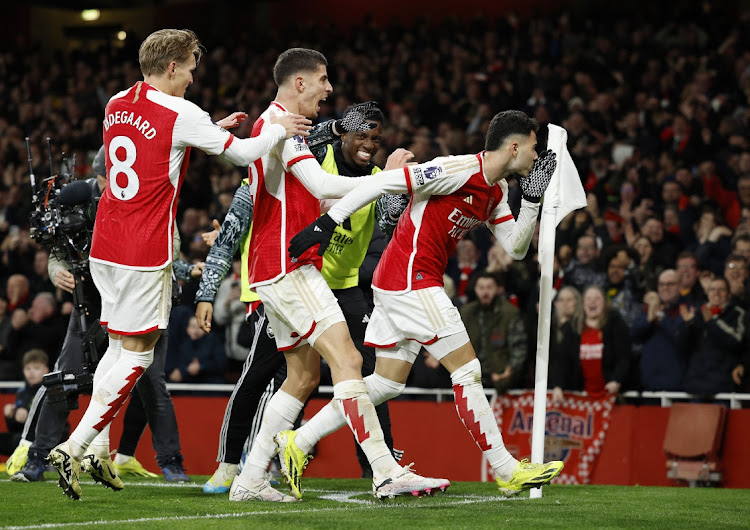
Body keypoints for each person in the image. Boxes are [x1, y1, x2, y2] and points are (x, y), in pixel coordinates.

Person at [48, 29, 311, 500]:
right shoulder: (181, 112)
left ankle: (98, 451)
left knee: (116, 345)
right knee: (140, 353)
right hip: (144, 249)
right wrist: (276, 130)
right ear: (172, 66)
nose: (192, 76)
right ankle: (75, 445)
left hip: (106, 244)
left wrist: (212, 128)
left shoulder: (115, 102)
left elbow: (158, 141)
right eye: (190, 66)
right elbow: (245, 155)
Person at [286, 109, 564, 497]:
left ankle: (297, 442)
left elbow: (515, 248)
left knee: (384, 384)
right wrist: (328, 221)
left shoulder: (496, 191)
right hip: (411, 280)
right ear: (513, 146)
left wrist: (531, 200)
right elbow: (383, 183)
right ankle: (506, 470)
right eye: (534, 149)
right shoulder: (457, 169)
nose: (537, 158)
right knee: (467, 370)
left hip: (402, 280)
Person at [226, 48, 440, 503]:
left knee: (301, 378)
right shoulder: (280, 126)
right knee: (349, 361)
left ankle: (249, 480)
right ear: (299, 82)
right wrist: (390, 181)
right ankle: (385, 472)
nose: (328, 88)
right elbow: (323, 187)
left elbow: (314, 194)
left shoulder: (283, 126)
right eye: (322, 79)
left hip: (278, 265)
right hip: (288, 266)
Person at [200, 102, 407, 494]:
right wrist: (210, 284)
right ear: (343, 134)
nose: (368, 144)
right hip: (293, 275)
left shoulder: (376, 174)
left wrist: (393, 184)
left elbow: (387, 224)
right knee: (269, 374)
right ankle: (231, 466)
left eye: (376, 138)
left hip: (338, 286)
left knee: (312, 375)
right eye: (360, 134)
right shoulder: (307, 148)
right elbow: (303, 182)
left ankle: (253, 476)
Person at [10, 146, 194, 485]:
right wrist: (57, 274)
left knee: (152, 382)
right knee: (64, 377)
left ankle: (171, 462)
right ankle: (38, 457)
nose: (113, 187)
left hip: (141, 297)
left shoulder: (146, 194)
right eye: (105, 180)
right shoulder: (77, 200)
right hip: (91, 300)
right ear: (97, 177)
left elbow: (173, 243)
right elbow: (57, 250)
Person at [549, 285, 631, 403]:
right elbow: (563, 360)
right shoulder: (572, 328)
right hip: (581, 396)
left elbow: (624, 358)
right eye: (588, 299)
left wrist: (616, 379)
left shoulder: (616, 325)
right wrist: (558, 386)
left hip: (611, 395)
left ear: (604, 302)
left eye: (597, 298)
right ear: (582, 303)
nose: (592, 302)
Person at [459, 270, 527, 394]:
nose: (485, 292)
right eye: (481, 288)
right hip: (471, 378)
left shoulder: (509, 313)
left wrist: (510, 370)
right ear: (475, 289)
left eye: (489, 287)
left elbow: (519, 347)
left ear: (498, 289)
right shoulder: (466, 313)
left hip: (501, 378)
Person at [682, 276, 746, 398]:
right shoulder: (698, 313)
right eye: (712, 289)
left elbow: (736, 342)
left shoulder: (737, 313)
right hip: (695, 386)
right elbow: (683, 346)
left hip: (723, 388)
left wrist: (712, 321)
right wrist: (688, 324)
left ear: (728, 294)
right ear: (707, 293)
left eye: (721, 289)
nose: (716, 293)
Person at [631, 269, 692, 391]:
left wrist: (658, 313)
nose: (665, 288)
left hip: (676, 384)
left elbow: (679, 335)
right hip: (649, 382)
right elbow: (634, 334)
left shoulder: (687, 308)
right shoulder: (649, 308)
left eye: (670, 284)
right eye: (661, 284)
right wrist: (650, 316)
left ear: (680, 286)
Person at [1, 350, 48, 461]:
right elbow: (13, 428)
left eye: (36, 368)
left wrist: (29, 417)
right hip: (24, 436)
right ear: (23, 371)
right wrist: (10, 417)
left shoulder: (49, 392)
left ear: (46, 370)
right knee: (13, 438)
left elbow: (54, 424)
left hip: (45, 438)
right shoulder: (21, 393)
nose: (31, 372)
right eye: (28, 368)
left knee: (19, 439)